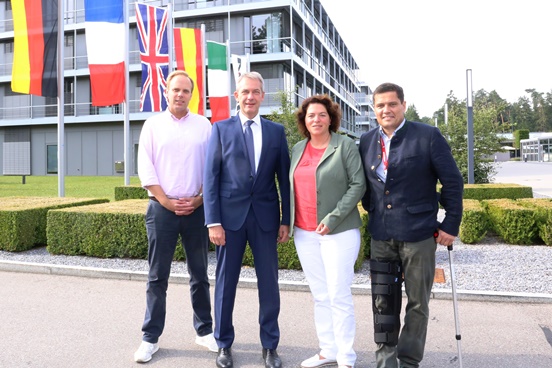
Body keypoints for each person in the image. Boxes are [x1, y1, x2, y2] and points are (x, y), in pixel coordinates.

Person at [358, 82, 464, 368]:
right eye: (380, 105)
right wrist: (375, 210)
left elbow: (452, 181)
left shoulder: (427, 136)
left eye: (392, 104)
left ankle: (408, 360)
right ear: (374, 108)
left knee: (418, 303)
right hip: (381, 235)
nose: (386, 109)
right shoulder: (367, 141)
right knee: (383, 302)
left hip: (418, 235)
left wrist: (451, 223)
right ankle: (385, 360)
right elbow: (367, 189)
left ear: (403, 105)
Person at [203, 71, 291, 368]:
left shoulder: (276, 132)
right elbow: (211, 177)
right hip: (229, 221)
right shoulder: (220, 129)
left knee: (269, 284)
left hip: (266, 219)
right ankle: (223, 344)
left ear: (262, 96)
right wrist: (213, 221)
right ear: (236, 96)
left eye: (255, 92)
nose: (250, 97)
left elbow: (284, 180)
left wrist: (286, 219)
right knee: (226, 284)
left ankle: (270, 346)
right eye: (245, 92)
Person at [134, 70, 217, 363]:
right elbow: (145, 167)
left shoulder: (204, 126)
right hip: (161, 210)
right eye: (175, 90)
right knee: (157, 277)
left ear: (191, 95)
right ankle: (150, 338)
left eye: (185, 90)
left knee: (200, 275)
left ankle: (205, 331)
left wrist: (199, 199)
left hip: (196, 210)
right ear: (166, 92)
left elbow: (212, 168)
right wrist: (166, 201)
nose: (180, 94)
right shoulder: (152, 126)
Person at [289, 95, 366, 368]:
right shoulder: (298, 148)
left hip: (339, 232)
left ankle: (346, 356)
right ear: (304, 120)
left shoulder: (344, 145)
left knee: (338, 293)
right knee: (320, 294)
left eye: (322, 115)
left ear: (330, 118)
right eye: (311, 116)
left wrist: (332, 218)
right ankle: (327, 350)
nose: (316, 120)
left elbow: (358, 185)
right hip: (304, 233)